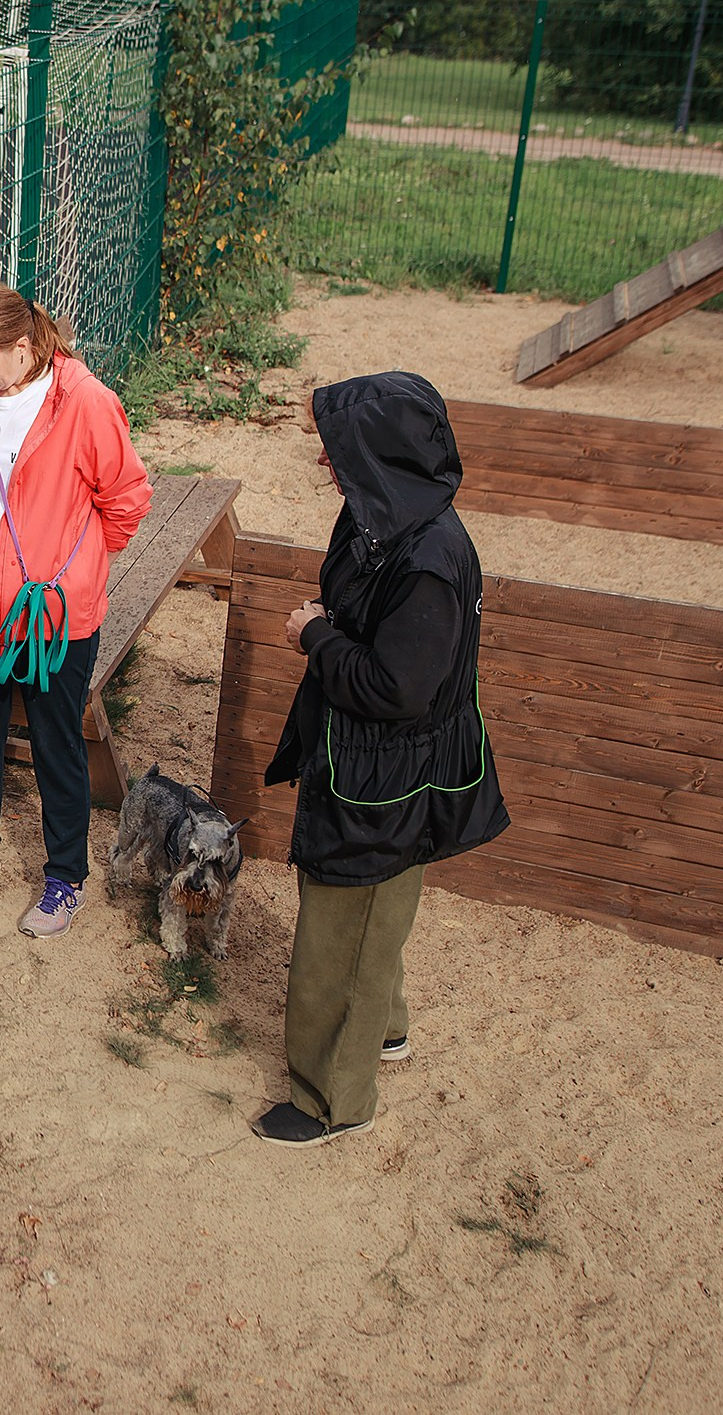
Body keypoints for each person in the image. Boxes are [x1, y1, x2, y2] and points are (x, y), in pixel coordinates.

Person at [253, 371, 510, 1148]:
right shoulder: (386, 513)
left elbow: (396, 687)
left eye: (338, 449)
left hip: (386, 776)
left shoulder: (430, 560)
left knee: (340, 934)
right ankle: (386, 1028)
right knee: (376, 911)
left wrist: (315, 635)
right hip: (370, 762)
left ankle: (333, 1099)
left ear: (380, 453)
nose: (325, 461)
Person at [0, 284, 153, 939]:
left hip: (50, 608)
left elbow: (128, 499)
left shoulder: (86, 403)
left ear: (23, 348)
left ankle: (65, 878)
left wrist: (76, 568)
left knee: (57, 740)